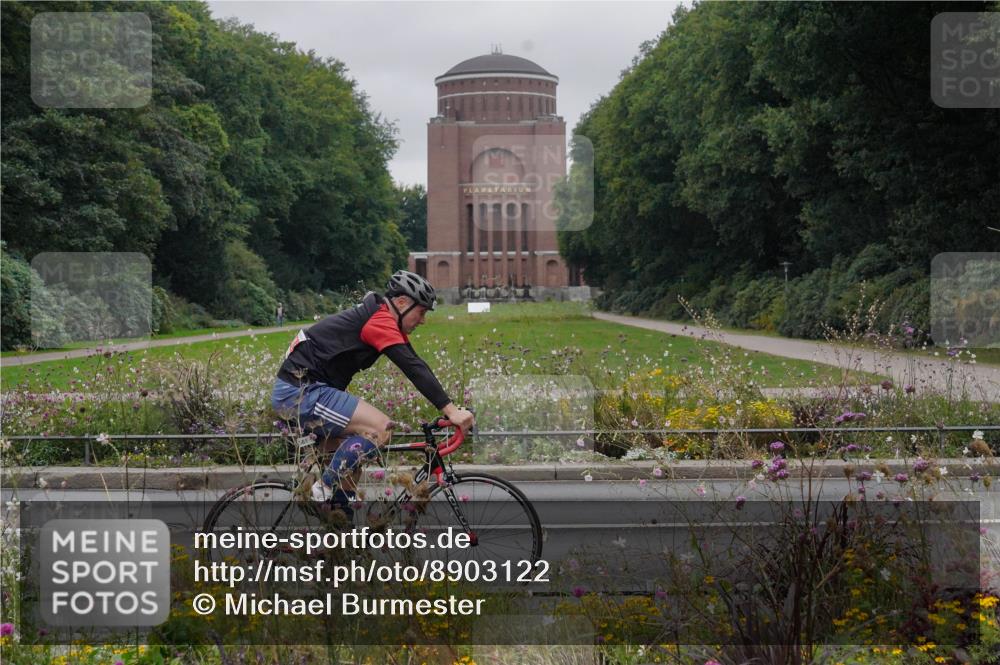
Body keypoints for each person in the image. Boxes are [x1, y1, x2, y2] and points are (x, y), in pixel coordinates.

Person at [271, 270, 475, 514]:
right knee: (380, 428)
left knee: (351, 461)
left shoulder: (380, 318)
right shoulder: (378, 320)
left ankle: (338, 533)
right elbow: (412, 368)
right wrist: (451, 411)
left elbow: (414, 361)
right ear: (401, 303)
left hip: (309, 391)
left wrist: (450, 407)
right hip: (300, 393)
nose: (423, 320)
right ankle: (320, 492)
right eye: (421, 312)